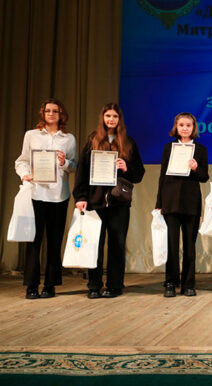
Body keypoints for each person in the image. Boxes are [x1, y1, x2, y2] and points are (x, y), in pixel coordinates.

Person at [73, 103, 145, 298]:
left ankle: (114, 285)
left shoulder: (128, 142)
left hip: (118, 202)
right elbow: (81, 171)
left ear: (119, 119)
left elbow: (139, 173)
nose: (111, 119)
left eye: (115, 116)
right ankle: (94, 285)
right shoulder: (92, 140)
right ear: (102, 118)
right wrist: (80, 197)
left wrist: (126, 167)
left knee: (117, 244)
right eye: (108, 116)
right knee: (94, 244)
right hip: (95, 202)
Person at [14, 98, 77, 299]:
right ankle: (31, 285)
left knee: (55, 242)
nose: (51, 114)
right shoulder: (31, 135)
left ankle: (50, 285)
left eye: (55, 111)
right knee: (33, 241)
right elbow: (22, 161)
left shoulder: (69, 138)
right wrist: (25, 174)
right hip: (36, 194)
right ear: (43, 113)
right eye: (47, 111)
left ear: (61, 114)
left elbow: (75, 166)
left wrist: (64, 162)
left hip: (59, 196)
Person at [156, 113, 209, 298]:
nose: (185, 128)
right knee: (171, 245)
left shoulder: (200, 149)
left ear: (193, 128)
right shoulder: (168, 148)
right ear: (176, 127)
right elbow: (162, 176)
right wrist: (159, 203)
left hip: (190, 203)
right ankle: (171, 282)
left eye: (188, 125)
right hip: (170, 202)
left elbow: (204, 177)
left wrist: (195, 168)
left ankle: (188, 284)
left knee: (189, 246)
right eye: (181, 125)